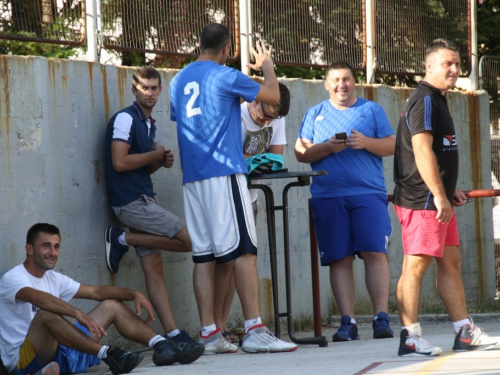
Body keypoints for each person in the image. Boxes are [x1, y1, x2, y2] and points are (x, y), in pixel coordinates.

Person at [169, 23, 297, 355]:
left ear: (200, 43)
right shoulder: (223, 75)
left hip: (193, 177)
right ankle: (255, 329)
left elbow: (181, 119)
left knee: (204, 256)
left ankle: (209, 333)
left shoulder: (177, 80)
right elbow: (272, 95)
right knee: (244, 250)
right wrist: (266, 64)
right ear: (227, 49)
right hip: (223, 173)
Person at [393, 38, 500, 356]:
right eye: (446, 64)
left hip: (437, 198)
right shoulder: (424, 100)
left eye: (457, 64)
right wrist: (438, 195)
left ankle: (464, 331)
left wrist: (447, 188)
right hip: (422, 200)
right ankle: (409, 337)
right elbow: (421, 149)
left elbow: (437, 150)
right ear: (428, 66)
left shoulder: (438, 99)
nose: (454, 69)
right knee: (415, 266)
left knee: (450, 262)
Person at [0, 223, 204, 375]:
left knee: (111, 305)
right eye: (46, 246)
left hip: (58, 352)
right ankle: (108, 354)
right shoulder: (13, 278)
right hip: (23, 360)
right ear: (29, 249)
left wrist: (133, 294)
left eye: (56, 246)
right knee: (47, 315)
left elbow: (97, 292)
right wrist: (77, 313)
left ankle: (162, 345)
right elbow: (37, 297)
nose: (53, 253)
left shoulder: (54, 278)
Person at [295, 62, 395, 342]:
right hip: (327, 197)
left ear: (355, 82)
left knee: (375, 253)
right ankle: (348, 322)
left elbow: (393, 144)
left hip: (368, 194)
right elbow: (301, 152)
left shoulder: (371, 110)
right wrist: (326, 147)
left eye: (347, 79)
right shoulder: (314, 114)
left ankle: (381, 318)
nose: (342, 85)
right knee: (339, 258)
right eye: (336, 80)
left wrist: (366, 142)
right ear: (326, 84)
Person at [104, 66, 202, 347]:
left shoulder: (149, 124)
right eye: (144, 88)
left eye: (154, 88)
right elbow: (119, 163)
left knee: (154, 268)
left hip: (143, 198)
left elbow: (139, 170)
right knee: (187, 240)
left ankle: (171, 333)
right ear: (134, 90)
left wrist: (158, 161)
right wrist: (154, 153)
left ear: (161, 90)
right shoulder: (125, 118)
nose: (150, 92)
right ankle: (121, 238)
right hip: (132, 203)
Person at [214, 83, 291, 342]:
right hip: (227, 194)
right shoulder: (236, 114)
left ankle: (222, 326)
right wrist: (253, 158)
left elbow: (276, 158)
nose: (268, 121)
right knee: (224, 263)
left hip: (252, 197)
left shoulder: (276, 116)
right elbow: (234, 157)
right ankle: (214, 328)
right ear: (255, 101)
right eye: (265, 115)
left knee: (242, 263)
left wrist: (253, 158)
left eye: (273, 118)